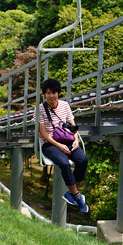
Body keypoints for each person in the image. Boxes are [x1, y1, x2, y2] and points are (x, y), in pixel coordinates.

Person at [37, 77, 89, 214]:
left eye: (53, 92)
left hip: (67, 140)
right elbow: (43, 133)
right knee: (64, 163)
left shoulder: (64, 105)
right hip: (50, 143)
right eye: (48, 93)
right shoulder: (41, 109)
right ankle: (77, 196)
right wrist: (59, 146)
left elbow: (73, 126)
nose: (51, 96)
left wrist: (76, 140)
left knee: (82, 160)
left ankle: (72, 193)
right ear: (44, 94)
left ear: (58, 93)